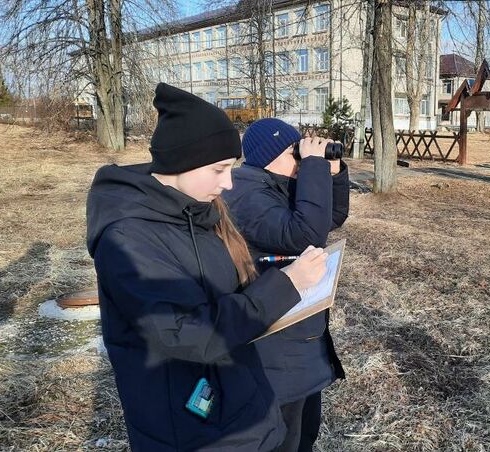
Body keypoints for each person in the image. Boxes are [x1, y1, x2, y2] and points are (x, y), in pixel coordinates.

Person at [86, 84, 328, 451]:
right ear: (183, 161)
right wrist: (285, 286)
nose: (228, 183)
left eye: (230, 168)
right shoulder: (127, 238)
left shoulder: (198, 209)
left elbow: (223, 295)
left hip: (240, 407)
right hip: (191, 429)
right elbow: (186, 332)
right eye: (219, 169)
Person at [223, 118, 349, 452]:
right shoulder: (246, 194)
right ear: (271, 156)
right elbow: (305, 235)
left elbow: (331, 217)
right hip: (275, 344)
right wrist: (312, 167)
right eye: (295, 152)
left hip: (298, 333)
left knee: (305, 432)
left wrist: (332, 173)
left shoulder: (276, 185)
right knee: (284, 439)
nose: (301, 158)